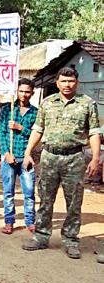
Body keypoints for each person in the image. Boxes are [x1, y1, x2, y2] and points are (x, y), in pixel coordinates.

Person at [22, 67, 101, 259]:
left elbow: (94, 132)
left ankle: (71, 240)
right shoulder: (47, 103)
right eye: (63, 81)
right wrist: (27, 153)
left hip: (75, 159)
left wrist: (96, 158)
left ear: (77, 83)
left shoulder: (87, 104)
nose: (67, 85)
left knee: (74, 202)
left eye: (71, 81)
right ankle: (41, 236)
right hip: (49, 157)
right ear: (57, 82)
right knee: (45, 199)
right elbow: (38, 129)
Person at [0, 78, 38, 234]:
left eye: (27, 91)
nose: (24, 94)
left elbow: (37, 134)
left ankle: (30, 221)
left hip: (26, 157)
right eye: (21, 91)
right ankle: (9, 222)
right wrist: (6, 153)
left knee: (29, 192)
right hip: (9, 157)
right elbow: (1, 132)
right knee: (8, 192)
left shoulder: (35, 112)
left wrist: (20, 127)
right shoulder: (8, 109)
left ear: (32, 93)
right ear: (17, 91)